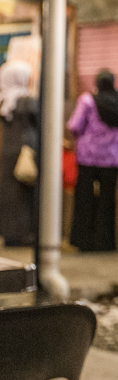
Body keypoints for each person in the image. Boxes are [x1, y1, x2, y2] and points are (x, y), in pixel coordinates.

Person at [67, 69, 118, 251]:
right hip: (114, 158)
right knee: (108, 199)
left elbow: (74, 125)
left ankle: (83, 241)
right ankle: (106, 242)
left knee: (85, 197)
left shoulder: (88, 100)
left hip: (88, 157)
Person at [0, 60, 39, 246]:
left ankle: (9, 233)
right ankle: (24, 234)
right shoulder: (26, 100)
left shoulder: (4, 99)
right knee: (24, 195)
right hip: (26, 152)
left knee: (8, 194)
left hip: (7, 151)